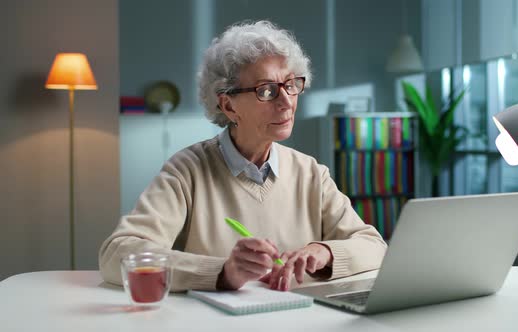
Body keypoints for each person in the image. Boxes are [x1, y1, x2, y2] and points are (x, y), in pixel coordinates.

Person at [99, 20, 387, 292]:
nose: (287, 101)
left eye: (291, 85)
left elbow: (374, 246)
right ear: (228, 105)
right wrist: (222, 271)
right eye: (266, 90)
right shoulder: (186, 171)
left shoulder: (310, 172)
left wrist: (325, 252)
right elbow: (118, 254)